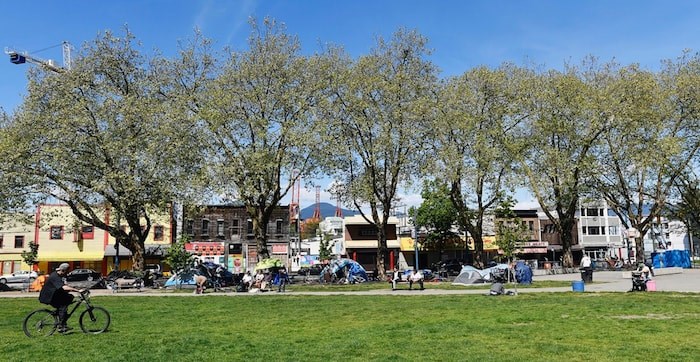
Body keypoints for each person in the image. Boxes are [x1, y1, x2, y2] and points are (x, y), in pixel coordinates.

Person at [39, 263, 83, 333]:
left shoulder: (59, 275)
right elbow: (64, 287)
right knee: (62, 307)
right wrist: (78, 290)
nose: (67, 273)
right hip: (48, 297)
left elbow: (64, 285)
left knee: (70, 297)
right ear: (63, 270)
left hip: (55, 294)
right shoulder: (55, 277)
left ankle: (62, 319)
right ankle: (61, 326)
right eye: (67, 272)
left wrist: (75, 288)